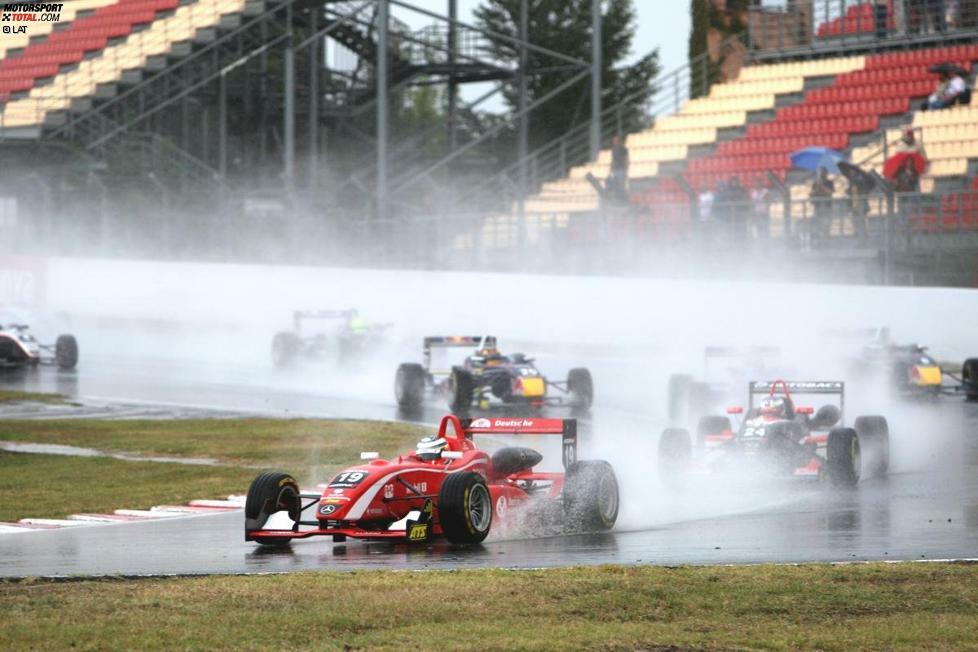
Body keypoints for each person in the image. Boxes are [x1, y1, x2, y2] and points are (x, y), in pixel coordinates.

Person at [810, 167, 836, 242]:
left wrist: (822, 186)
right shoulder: (815, 183)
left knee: (827, 223)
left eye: (823, 172)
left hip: (827, 206)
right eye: (821, 172)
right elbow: (812, 193)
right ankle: (820, 239)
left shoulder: (829, 182)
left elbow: (830, 192)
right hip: (818, 207)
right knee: (818, 224)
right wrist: (817, 187)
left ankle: (826, 238)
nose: (822, 174)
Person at [607, 135, 630, 201]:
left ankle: (623, 199)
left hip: (621, 169)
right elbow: (612, 160)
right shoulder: (613, 150)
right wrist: (610, 169)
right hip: (615, 169)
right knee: (615, 184)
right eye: (614, 141)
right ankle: (617, 198)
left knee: (621, 184)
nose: (615, 142)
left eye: (616, 141)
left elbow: (626, 159)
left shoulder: (624, 149)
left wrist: (626, 170)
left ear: (619, 141)